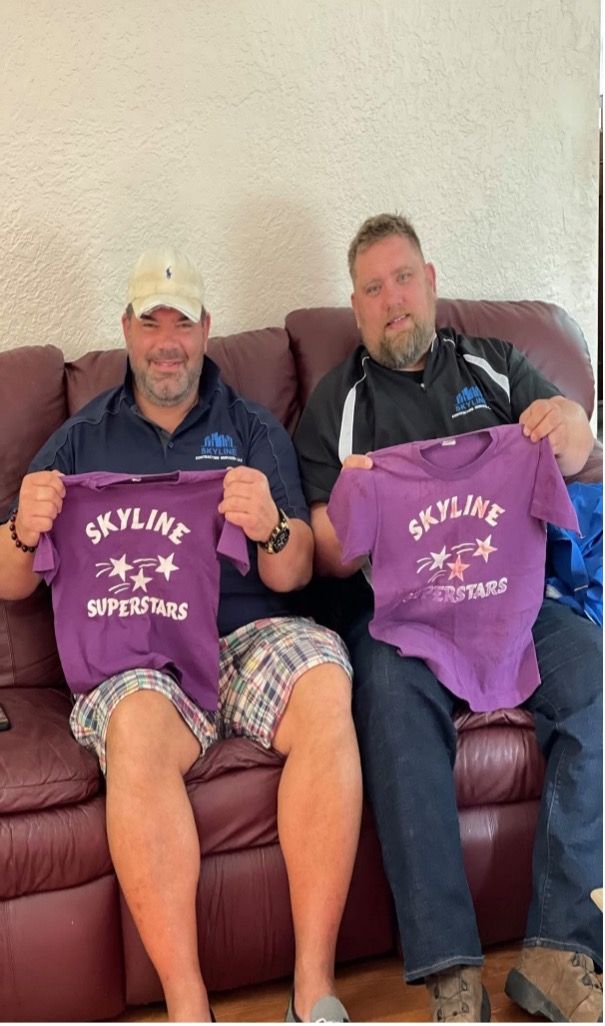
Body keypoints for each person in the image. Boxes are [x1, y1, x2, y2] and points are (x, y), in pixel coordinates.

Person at [0, 247, 362, 1024]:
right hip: (143, 660)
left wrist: (270, 529)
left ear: (207, 328)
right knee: (131, 722)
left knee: (327, 681)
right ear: (126, 329)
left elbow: (295, 572)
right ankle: (188, 1009)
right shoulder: (79, 442)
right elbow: (9, 579)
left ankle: (314, 987)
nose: (168, 340)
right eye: (151, 321)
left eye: (184, 322)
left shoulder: (254, 430)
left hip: (247, 638)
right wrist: (24, 532)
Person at [294, 214, 603, 1023]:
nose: (391, 301)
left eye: (402, 279)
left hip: (513, 601)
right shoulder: (338, 405)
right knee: (392, 711)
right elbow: (320, 551)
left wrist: (567, 425)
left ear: (429, 282)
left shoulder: (495, 366)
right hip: (400, 618)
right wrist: (353, 510)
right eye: (371, 289)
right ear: (355, 309)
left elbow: (575, 443)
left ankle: (558, 949)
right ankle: (450, 972)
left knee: (599, 680)